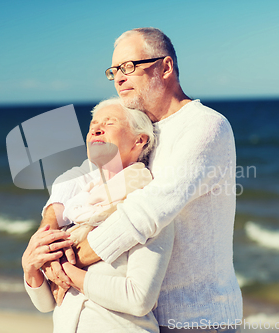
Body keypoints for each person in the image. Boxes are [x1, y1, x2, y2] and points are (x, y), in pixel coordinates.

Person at [29, 27, 243, 332]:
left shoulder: (205, 126)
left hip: (199, 318)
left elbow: (148, 212)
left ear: (166, 67)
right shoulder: (141, 131)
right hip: (146, 319)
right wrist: (47, 234)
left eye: (129, 67)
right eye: (114, 70)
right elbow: (80, 178)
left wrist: (69, 260)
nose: (119, 77)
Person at [23, 98, 175, 333]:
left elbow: (138, 298)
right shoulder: (78, 205)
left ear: (139, 140)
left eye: (109, 123)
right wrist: (30, 268)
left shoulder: (146, 206)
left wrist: (69, 272)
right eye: (93, 124)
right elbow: (46, 304)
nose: (96, 128)